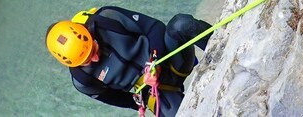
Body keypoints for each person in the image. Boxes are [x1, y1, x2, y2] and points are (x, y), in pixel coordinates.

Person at [46, 6, 211, 116]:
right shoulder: (82, 80)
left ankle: (222, 42)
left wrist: (154, 61)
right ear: (73, 64)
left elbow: (153, 27)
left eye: (93, 49)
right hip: (157, 91)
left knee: (181, 24)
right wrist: (144, 99)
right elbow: (116, 98)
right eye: (88, 60)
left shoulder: (106, 18)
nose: (96, 57)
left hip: (170, 59)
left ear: (86, 32)